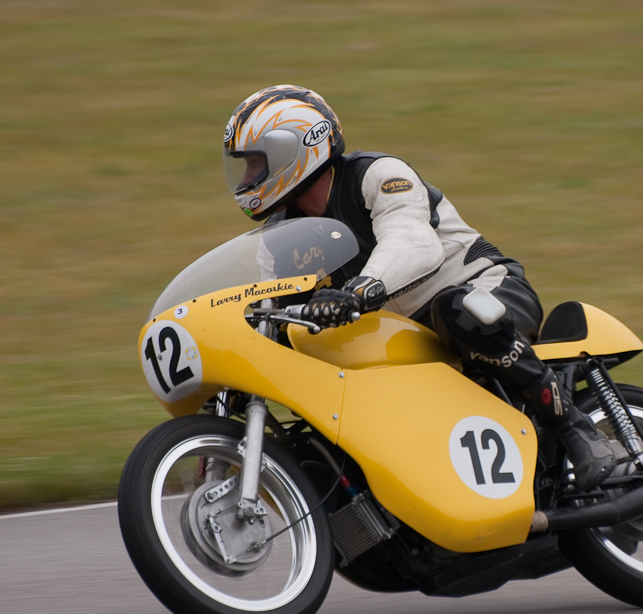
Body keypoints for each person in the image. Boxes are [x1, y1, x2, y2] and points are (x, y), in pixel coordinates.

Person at [222, 85, 616, 491]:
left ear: (296, 150)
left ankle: (579, 432)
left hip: (484, 292)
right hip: (401, 340)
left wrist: (359, 291)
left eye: (256, 164)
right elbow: (270, 309)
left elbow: (413, 243)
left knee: (456, 310)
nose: (249, 178)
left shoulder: (377, 175)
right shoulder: (279, 239)